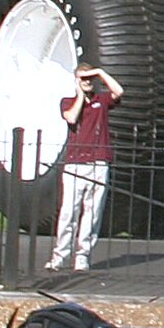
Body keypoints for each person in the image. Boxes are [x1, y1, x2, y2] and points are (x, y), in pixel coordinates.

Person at [47, 64, 123, 273]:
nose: (87, 82)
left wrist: (99, 73)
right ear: (76, 81)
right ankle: (60, 255)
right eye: (83, 79)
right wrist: (80, 93)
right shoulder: (68, 101)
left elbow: (119, 91)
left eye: (90, 80)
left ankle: (83, 256)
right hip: (76, 162)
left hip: (99, 162)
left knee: (92, 212)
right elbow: (71, 117)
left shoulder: (102, 100)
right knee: (69, 211)